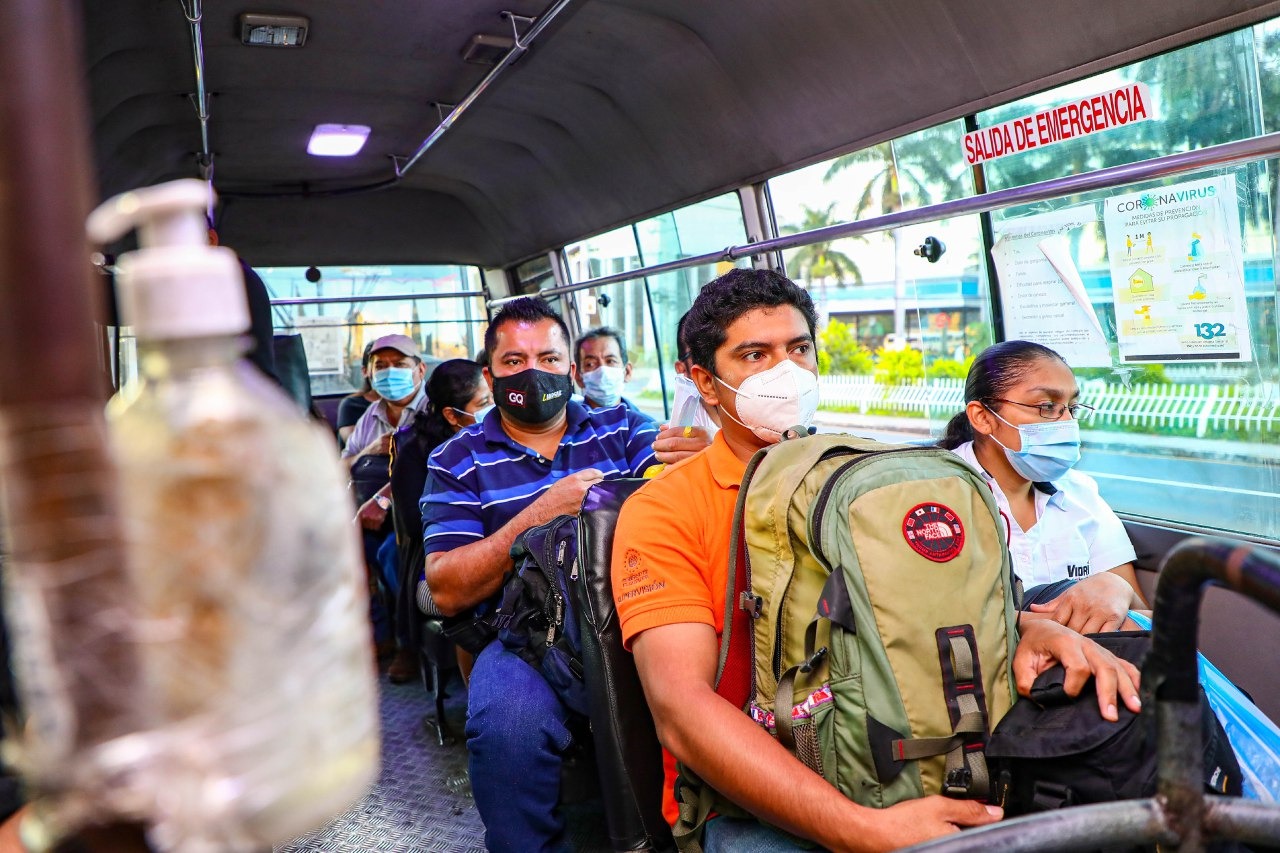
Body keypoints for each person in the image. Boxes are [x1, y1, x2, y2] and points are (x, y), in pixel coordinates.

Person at [612, 269, 1142, 852]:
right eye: (754, 355)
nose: (785, 372)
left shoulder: (865, 480)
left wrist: (1029, 625)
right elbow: (682, 711)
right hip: (749, 800)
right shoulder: (663, 510)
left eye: (799, 348)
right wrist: (859, 830)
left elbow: (923, 603)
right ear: (705, 384)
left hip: (908, 758)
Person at [422, 297, 677, 852]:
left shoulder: (623, 427)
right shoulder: (456, 461)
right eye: (514, 362)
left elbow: (665, 478)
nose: (534, 373)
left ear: (571, 368)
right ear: (489, 376)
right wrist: (542, 514)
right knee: (506, 724)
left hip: (637, 614)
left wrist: (695, 460)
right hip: (524, 637)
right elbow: (444, 586)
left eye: (549, 358)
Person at [938, 340, 1148, 634]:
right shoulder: (934, 497)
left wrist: (1118, 589)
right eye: (1047, 407)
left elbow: (1140, 617)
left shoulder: (1081, 494)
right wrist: (1044, 625)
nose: (1066, 422)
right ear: (983, 418)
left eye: (1071, 408)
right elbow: (931, 619)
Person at [387, 358, 492, 684]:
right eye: (484, 403)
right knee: (476, 597)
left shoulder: (492, 442)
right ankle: (479, 702)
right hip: (435, 568)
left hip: (496, 553)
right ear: (451, 414)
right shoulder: (419, 455)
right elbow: (416, 525)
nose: (493, 408)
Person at [346, 333, 432, 683]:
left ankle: (408, 643)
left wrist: (383, 498)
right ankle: (376, 634)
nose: (390, 373)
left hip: (421, 512)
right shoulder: (372, 415)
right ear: (368, 372)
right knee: (349, 550)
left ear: (420, 369)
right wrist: (370, 451)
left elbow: (432, 466)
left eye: (400, 364)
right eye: (381, 366)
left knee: (391, 555)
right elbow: (344, 463)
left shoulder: (434, 408)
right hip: (375, 512)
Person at [573, 326, 650, 416]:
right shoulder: (565, 426)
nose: (602, 371)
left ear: (627, 372)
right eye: (590, 364)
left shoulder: (645, 425)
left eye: (610, 361)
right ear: (578, 377)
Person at [337, 341, 379, 443]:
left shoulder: (411, 404)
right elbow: (356, 444)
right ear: (365, 371)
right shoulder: (351, 405)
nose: (389, 372)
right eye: (380, 366)